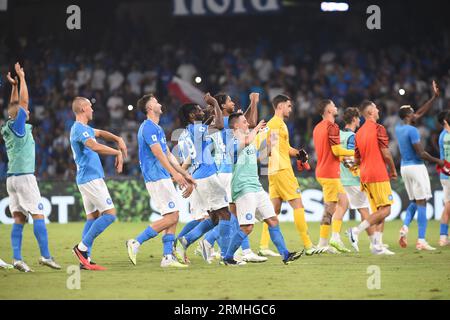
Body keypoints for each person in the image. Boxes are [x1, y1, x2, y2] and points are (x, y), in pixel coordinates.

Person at [222, 112, 304, 265]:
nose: (248, 124)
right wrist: (258, 127)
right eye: (244, 122)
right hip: (243, 188)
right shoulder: (231, 141)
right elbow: (246, 142)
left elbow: (259, 158)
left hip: (256, 187)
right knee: (247, 227)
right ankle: (228, 257)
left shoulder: (250, 142)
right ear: (235, 126)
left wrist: (270, 144)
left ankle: (285, 254)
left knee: (273, 220)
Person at [2, 63, 60, 272]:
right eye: (23, 111)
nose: (27, 111)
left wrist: (14, 86)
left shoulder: (7, 125)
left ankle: (17, 258)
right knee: (37, 215)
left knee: (19, 217)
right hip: (25, 178)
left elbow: (14, 105)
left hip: (11, 178)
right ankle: (45, 256)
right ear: (19, 114)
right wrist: (23, 77)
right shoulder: (18, 126)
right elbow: (23, 103)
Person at [126, 94, 195, 268]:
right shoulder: (148, 127)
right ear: (150, 108)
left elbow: (168, 155)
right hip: (156, 176)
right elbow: (158, 153)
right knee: (173, 216)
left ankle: (167, 257)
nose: (159, 103)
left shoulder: (157, 128)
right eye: (156, 102)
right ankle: (136, 241)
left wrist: (183, 173)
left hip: (161, 176)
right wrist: (175, 174)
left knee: (172, 216)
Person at [197, 92, 266, 263]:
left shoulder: (227, 122)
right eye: (229, 101)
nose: (233, 102)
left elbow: (248, 122)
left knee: (228, 214)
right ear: (222, 106)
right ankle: (211, 243)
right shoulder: (224, 123)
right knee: (233, 214)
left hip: (228, 171)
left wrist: (252, 103)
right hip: (227, 172)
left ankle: (230, 248)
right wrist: (253, 103)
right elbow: (250, 123)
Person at [259, 94, 325, 256]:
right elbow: (267, 149)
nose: (291, 109)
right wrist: (270, 151)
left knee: (273, 210)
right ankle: (308, 245)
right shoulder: (276, 124)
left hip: (274, 171)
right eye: (288, 106)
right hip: (282, 170)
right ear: (280, 106)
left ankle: (263, 246)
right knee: (298, 205)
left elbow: (283, 148)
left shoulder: (278, 124)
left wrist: (298, 153)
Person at [174, 94, 233, 263]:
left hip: (200, 176)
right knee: (225, 215)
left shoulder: (190, 130)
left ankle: (185, 241)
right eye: (199, 110)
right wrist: (215, 103)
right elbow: (220, 125)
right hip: (207, 175)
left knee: (214, 219)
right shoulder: (197, 128)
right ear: (192, 116)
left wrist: (210, 115)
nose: (202, 111)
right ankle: (227, 256)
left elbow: (208, 127)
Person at [70, 96, 126, 270]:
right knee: (109, 215)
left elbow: (100, 133)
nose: (92, 109)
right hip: (91, 178)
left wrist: (117, 138)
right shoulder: (79, 129)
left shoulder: (83, 128)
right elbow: (95, 146)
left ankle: (85, 260)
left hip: (86, 178)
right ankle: (81, 248)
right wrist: (117, 152)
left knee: (92, 217)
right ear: (82, 109)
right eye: (90, 106)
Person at [347, 101, 398, 255]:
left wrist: (350, 166)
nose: (378, 109)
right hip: (378, 174)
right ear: (370, 113)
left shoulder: (359, 133)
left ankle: (377, 246)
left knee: (379, 211)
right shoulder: (378, 128)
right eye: (376, 108)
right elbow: (386, 154)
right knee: (387, 210)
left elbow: (356, 160)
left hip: (366, 176)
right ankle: (355, 230)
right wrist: (394, 170)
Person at [395, 81, 441, 251]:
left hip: (404, 169)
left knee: (415, 201)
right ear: (408, 115)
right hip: (416, 167)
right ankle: (421, 240)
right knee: (422, 204)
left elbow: (420, 112)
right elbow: (421, 153)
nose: (416, 114)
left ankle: (405, 227)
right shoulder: (413, 131)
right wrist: (439, 161)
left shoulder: (399, 129)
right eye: (413, 112)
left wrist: (433, 98)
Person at [313, 100, 352, 253]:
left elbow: (330, 152)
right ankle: (323, 244)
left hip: (324, 170)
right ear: (328, 110)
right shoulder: (332, 126)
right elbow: (336, 151)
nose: (336, 107)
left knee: (343, 202)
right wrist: (356, 152)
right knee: (330, 209)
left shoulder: (317, 128)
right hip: (330, 174)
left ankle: (334, 238)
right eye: (334, 105)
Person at [340, 107, 377, 252]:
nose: (360, 120)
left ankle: (332, 239)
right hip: (353, 180)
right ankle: (374, 243)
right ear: (354, 119)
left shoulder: (340, 135)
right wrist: (361, 173)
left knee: (342, 209)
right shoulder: (352, 137)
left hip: (342, 179)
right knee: (365, 212)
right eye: (359, 118)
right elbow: (349, 160)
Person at [437, 111, 450, 246]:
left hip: (445, 174)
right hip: (448, 174)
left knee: (448, 205)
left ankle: (443, 236)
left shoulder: (444, 135)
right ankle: (443, 237)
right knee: (448, 205)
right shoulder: (446, 136)